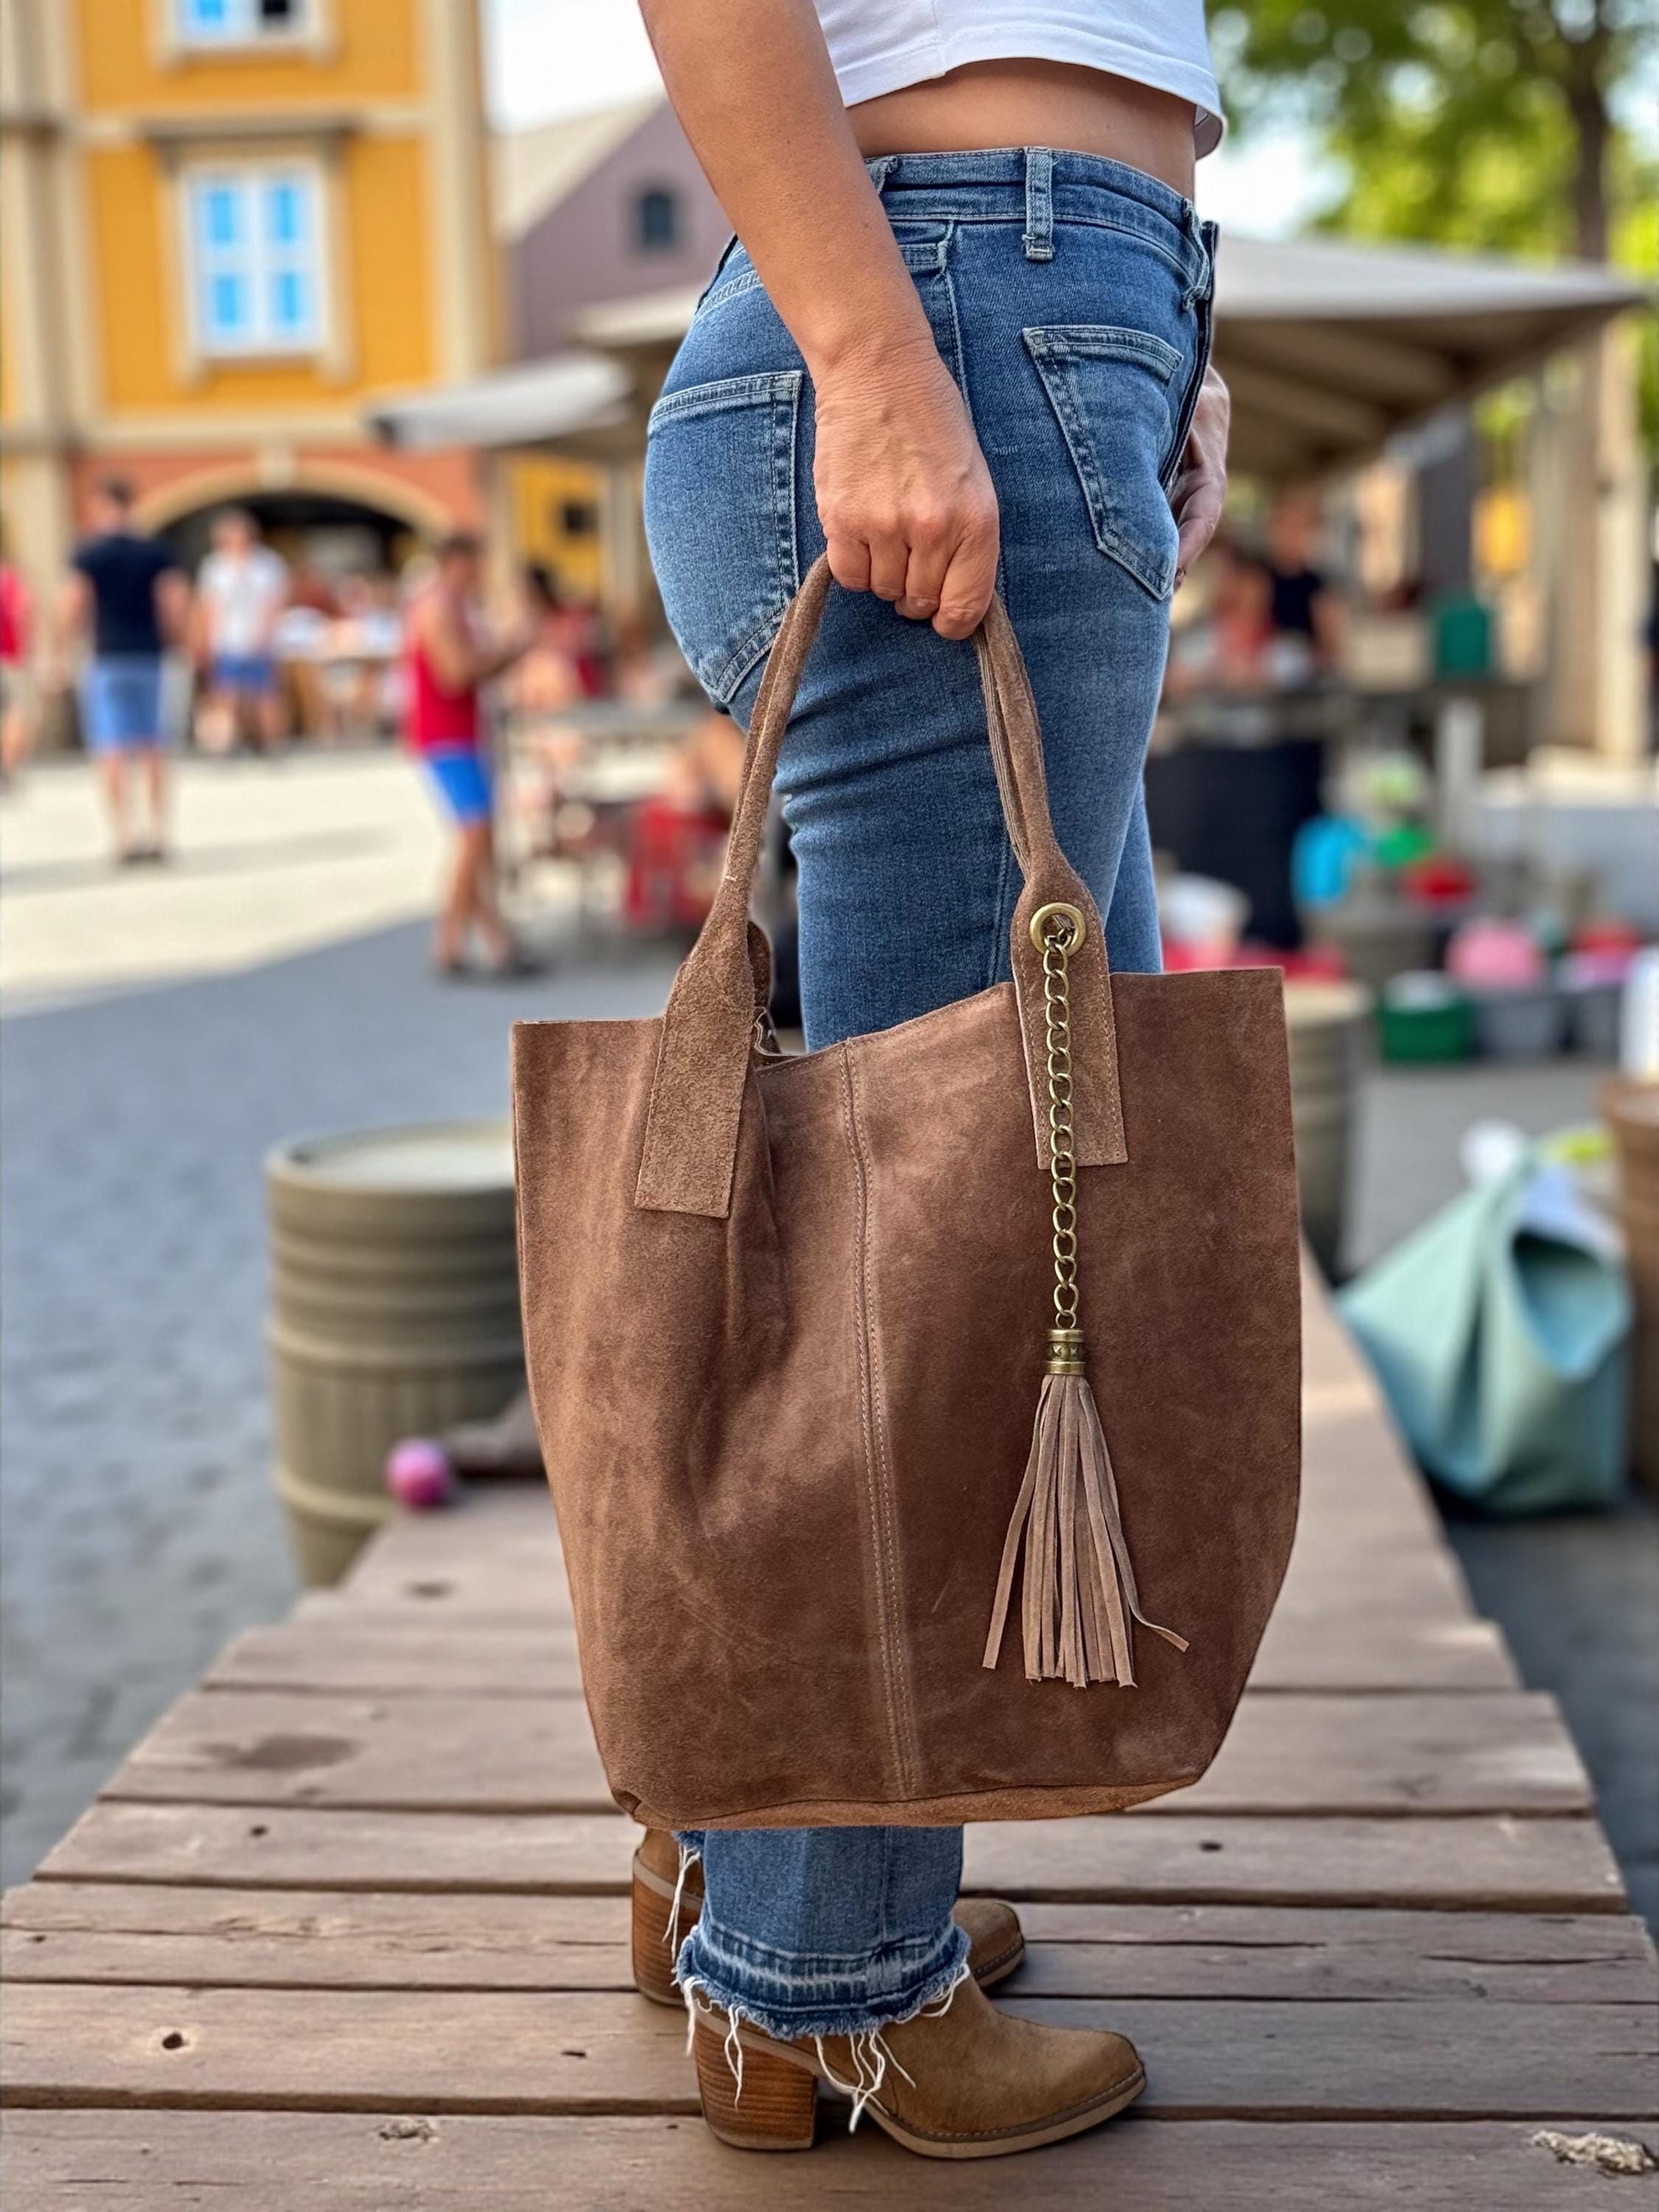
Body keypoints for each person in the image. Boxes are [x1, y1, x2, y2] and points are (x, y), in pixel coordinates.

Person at [632, 0, 1232, 2162]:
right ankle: (821, 1980)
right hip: (947, 299)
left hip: (1007, 300)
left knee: (925, 1199)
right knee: (951, 1240)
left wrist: (1178, 327)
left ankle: (749, 1868)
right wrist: (889, 356)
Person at [403, 532, 536, 978]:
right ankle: (451, 942)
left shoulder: (457, 605)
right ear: (456, 562)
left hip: (461, 733)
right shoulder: (437, 606)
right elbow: (455, 673)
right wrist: (509, 650)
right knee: (475, 835)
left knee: (476, 841)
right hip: (443, 735)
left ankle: (490, 943)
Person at [56, 477, 189, 863]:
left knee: (112, 747)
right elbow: (174, 600)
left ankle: (123, 836)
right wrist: (176, 640)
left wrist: (63, 649)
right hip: (150, 656)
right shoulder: (154, 551)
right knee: (153, 745)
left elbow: (73, 602)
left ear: (101, 505)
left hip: (107, 656)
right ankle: (159, 832)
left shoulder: (90, 553)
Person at [195, 509, 290, 753]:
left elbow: (274, 604)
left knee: (265, 695)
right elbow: (208, 607)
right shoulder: (215, 567)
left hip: (259, 642)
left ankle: (273, 744)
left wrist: (265, 634)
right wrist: (205, 641)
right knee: (226, 695)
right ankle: (226, 744)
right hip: (227, 641)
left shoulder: (267, 565)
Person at [1265, 488, 1343, 672]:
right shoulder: (1257, 579)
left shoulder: (1322, 589)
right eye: (1285, 525)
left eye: (1300, 527)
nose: (1291, 535)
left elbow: (1332, 650)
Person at [1, 532, 37, 785]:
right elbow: (24, 612)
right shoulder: (10, 580)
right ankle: (8, 764)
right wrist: (29, 651)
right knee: (17, 711)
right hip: (10, 656)